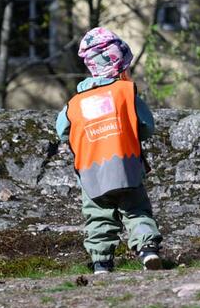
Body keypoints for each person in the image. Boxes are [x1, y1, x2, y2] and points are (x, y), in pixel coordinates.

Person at [55, 27, 163, 274]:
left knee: (98, 217)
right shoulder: (126, 92)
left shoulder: (75, 102)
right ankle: (148, 251)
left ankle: (101, 262)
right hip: (126, 167)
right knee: (136, 211)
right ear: (119, 64)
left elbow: (62, 131)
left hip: (91, 171)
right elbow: (147, 127)